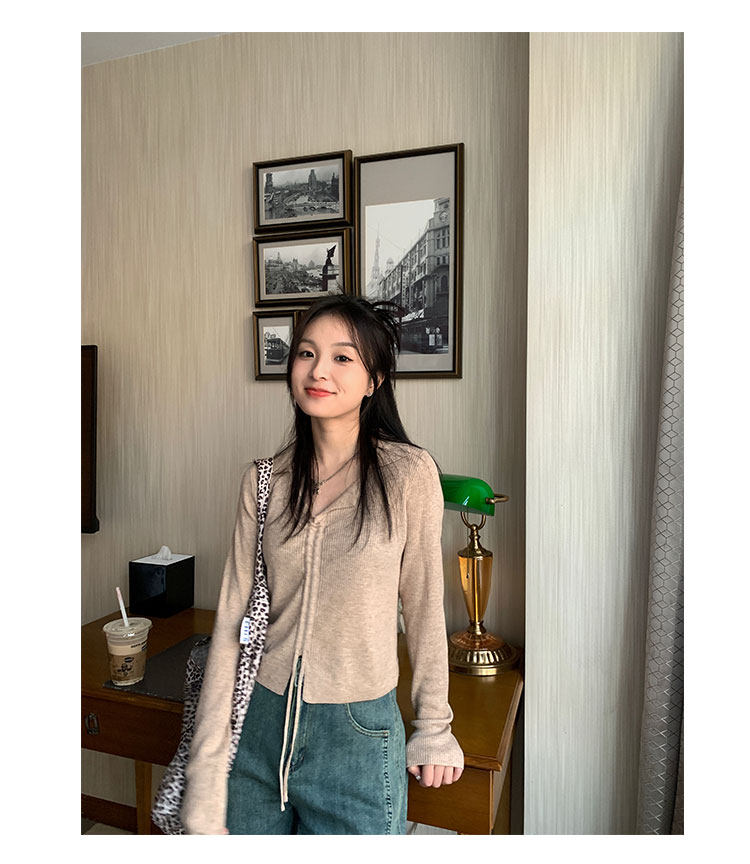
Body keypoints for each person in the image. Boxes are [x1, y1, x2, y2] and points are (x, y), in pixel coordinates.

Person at [182, 295, 464, 834]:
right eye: (306, 353)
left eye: (342, 357)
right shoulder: (264, 482)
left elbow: (426, 607)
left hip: (357, 735)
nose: (318, 371)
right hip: (259, 728)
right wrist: (207, 769)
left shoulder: (408, 475)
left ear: (374, 379)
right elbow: (231, 623)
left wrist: (433, 726)